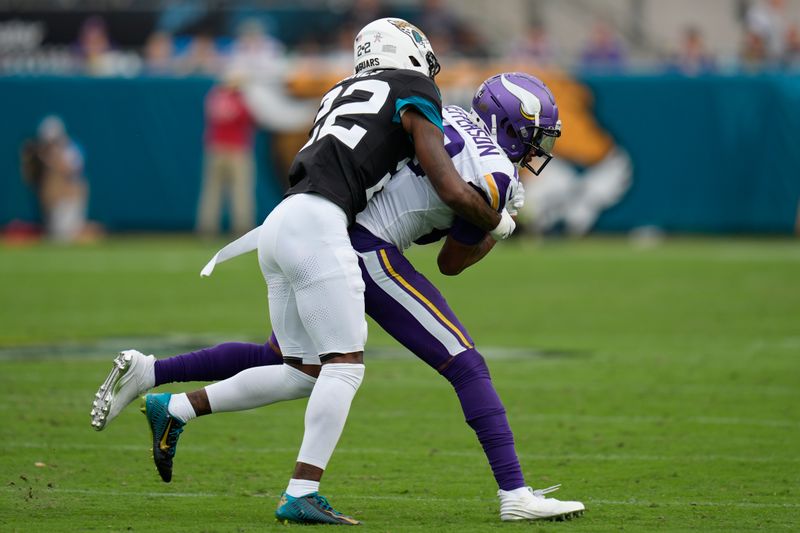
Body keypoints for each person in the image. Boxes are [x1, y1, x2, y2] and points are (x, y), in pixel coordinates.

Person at [91, 73, 584, 523]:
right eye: (535, 138)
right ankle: (515, 494)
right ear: (510, 127)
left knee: (291, 362)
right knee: (464, 362)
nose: (538, 152)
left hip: (322, 226)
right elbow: (450, 263)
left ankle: (168, 396)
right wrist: (496, 228)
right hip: (368, 249)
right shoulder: (496, 170)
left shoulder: (447, 112)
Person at [20, 116, 102, 243]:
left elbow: (73, 172)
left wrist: (52, 159)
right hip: (51, 202)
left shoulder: (70, 150)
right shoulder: (39, 153)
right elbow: (30, 178)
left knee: (64, 237)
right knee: (55, 237)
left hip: (69, 200)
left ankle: (96, 232)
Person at [195, 69, 258, 237]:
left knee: (212, 191)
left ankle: (207, 228)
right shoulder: (240, 99)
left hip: (215, 147)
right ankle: (242, 228)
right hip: (237, 148)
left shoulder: (214, 97)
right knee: (240, 191)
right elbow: (250, 118)